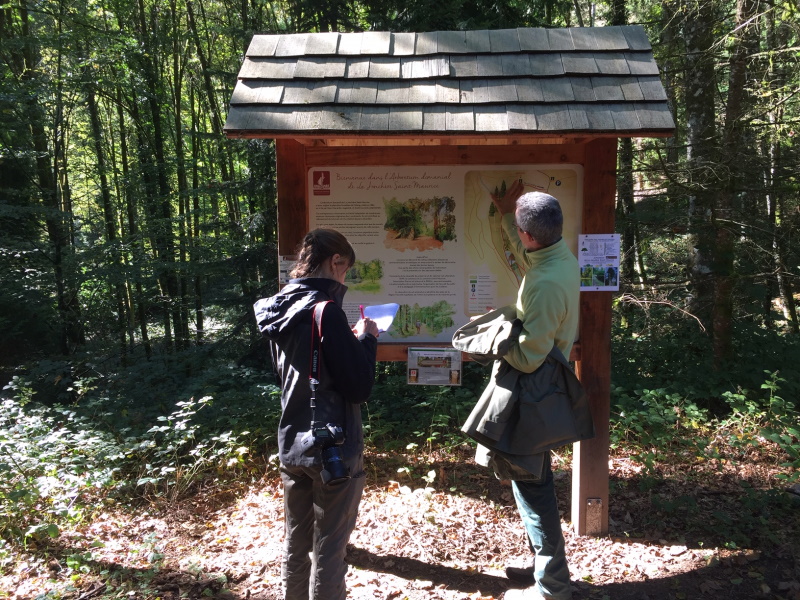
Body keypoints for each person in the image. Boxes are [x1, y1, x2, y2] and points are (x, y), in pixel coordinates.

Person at [253, 228, 379, 600]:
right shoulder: (326, 310)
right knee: (329, 548)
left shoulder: (278, 310)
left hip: (292, 441)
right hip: (332, 447)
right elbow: (358, 387)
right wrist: (367, 339)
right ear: (335, 261)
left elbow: (290, 374)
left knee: (296, 540)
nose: (345, 277)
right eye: (346, 269)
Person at [490, 179, 579, 600]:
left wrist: (494, 338)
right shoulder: (559, 257)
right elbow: (528, 254)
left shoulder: (544, 282)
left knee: (533, 486)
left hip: (533, 390)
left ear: (529, 234)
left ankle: (551, 587)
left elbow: (528, 357)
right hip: (541, 389)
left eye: (519, 228)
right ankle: (541, 566)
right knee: (527, 479)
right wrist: (507, 217)